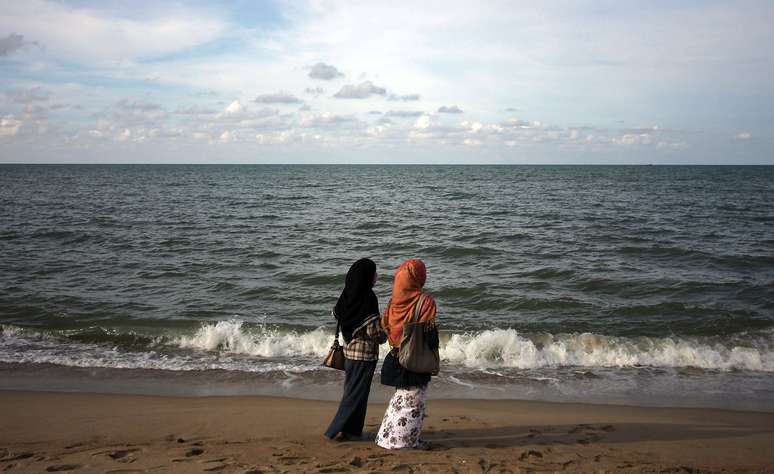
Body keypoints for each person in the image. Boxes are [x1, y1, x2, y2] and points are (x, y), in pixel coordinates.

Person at [376, 258, 439, 450]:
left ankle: (386, 438)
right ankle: (404, 442)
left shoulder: (393, 303)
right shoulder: (425, 302)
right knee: (413, 402)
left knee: (400, 399)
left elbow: (385, 326)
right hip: (414, 359)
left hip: (396, 357)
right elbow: (430, 336)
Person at [324, 258, 387, 441]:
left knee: (354, 391)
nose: (376, 276)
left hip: (349, 351)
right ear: (367, 276)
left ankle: (352, 431)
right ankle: (334, 430)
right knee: (356, 394)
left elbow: (336, 313)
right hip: (365, 354)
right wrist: (385, 335)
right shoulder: (368, 297)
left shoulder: (348, 294)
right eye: (374, 272)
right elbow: (374, 331)